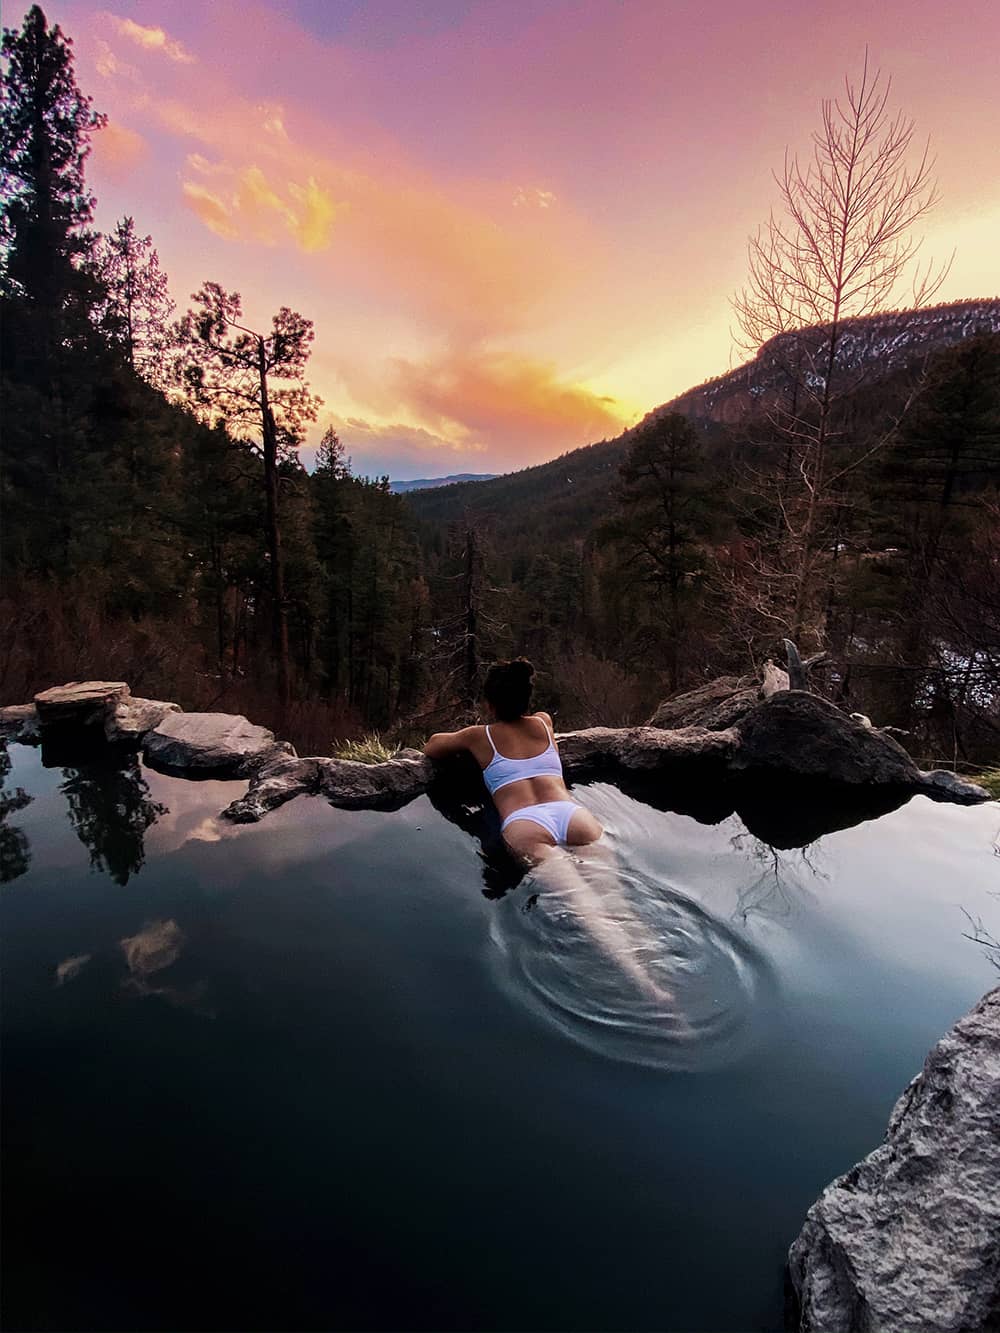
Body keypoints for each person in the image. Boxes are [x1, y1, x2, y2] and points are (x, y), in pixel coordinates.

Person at [423, 658, 603, 864]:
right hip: (572, 815)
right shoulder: (543, 722)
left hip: (525, 824)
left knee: (573, 893)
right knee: (612, 891)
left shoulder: (479, 737)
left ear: (490, 706)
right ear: (527, 699)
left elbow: (432, 746)